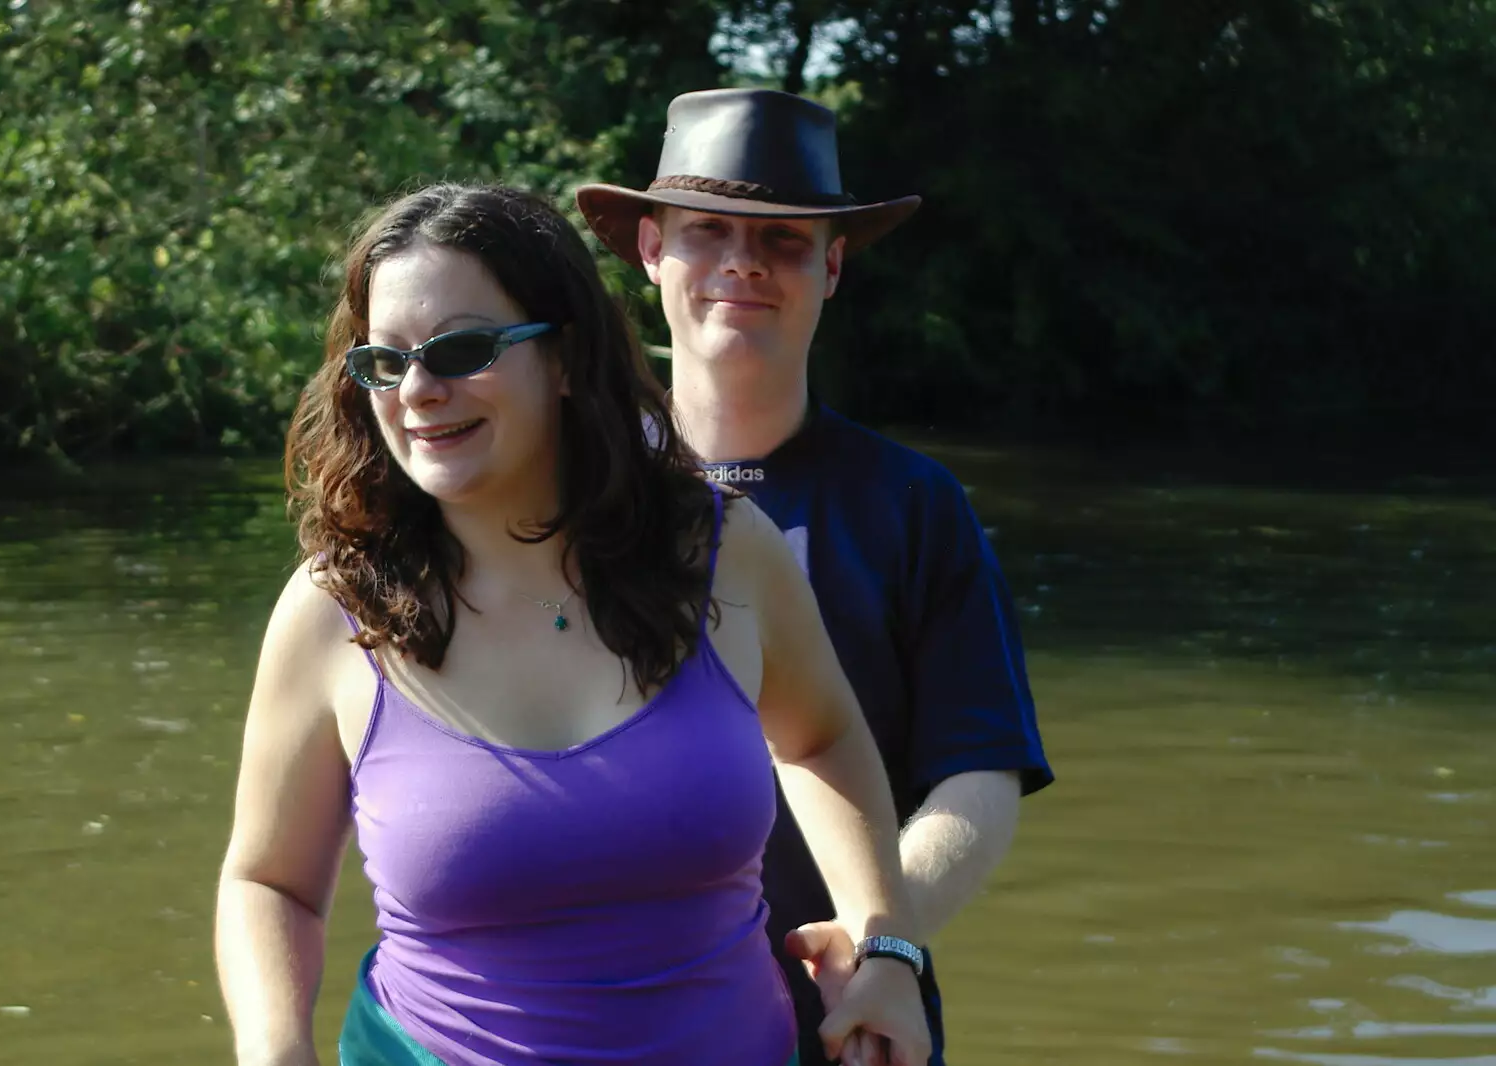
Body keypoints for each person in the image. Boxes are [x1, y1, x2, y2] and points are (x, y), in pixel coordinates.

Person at [212, 182, 936, 1066]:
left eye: (463, 349)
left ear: (563, 358)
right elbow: (269, 882)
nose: (418, 391)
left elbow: (821, 739)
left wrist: (886, 947)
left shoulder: (722, 551)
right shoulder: (332, 609)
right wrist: (273, 1047)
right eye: (384, 361)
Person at [576, 89, 1054, 1066]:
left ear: (833, 267)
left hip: (847, 1026)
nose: (743, 263)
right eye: (708, 231)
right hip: (601, 1021)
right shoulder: (561, 495)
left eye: (785, 241)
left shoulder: (915, 507)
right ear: (651, 250)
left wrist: (880, 938)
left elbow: (980, 772)